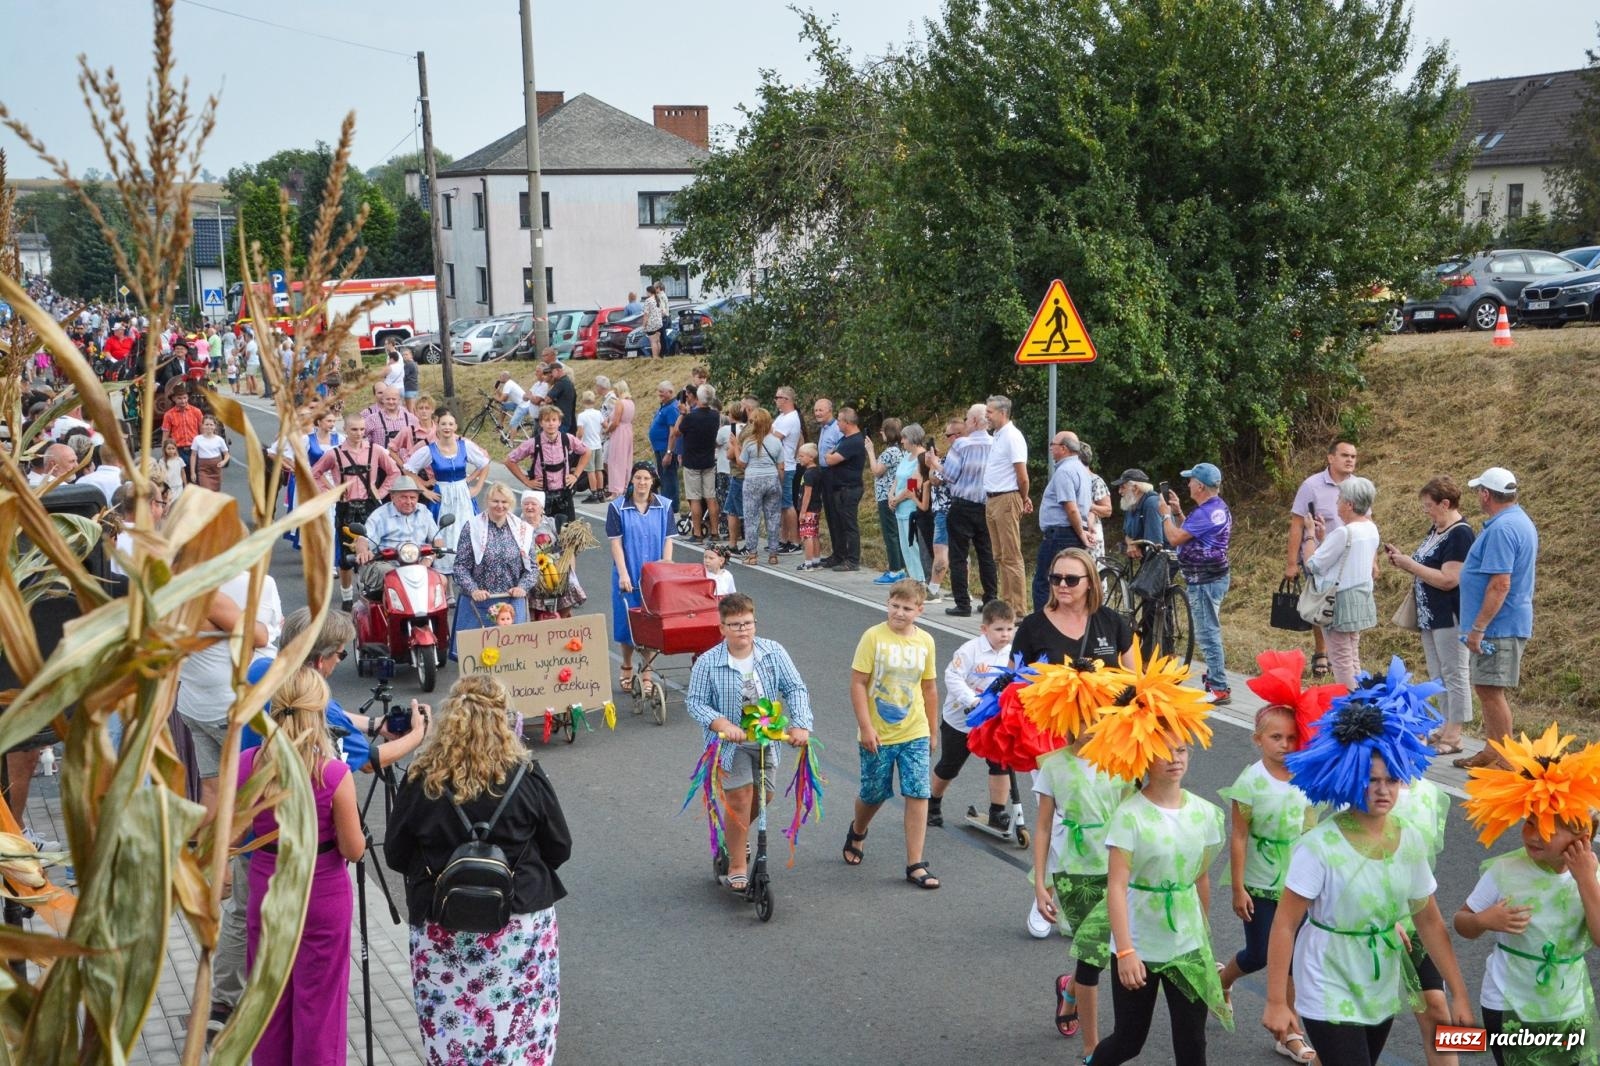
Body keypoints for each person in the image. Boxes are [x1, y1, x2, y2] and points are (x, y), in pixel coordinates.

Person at [209, 607, 429, 1036]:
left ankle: (224, 1005)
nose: (338, 663)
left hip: (259, 848)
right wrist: (415, 736)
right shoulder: (327, 765)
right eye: (340, 655)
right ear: (319, 659)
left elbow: (324, 713)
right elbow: (366, 764)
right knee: (316, 996)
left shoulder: (261, 672)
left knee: (248, 938)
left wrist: (373, 723)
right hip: (309, 863)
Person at [1266, 685, 1474, 1066]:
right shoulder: (1318, 845)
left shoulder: (1409, 838)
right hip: (1326, 981)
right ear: (1350, 777)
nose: (1383, 790)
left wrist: (1459, 992)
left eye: (1391, 780)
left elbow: (1428, 919)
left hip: (1378, 984)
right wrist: (1278, 1001)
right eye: (1372, 779)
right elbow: (1284, 924)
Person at [386, 675, 571, 1066]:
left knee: (453, 1031)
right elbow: (559, 847)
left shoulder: (422, 780)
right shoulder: (526, 776)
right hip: (518, 923)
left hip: (444, 924)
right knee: (521, 1027)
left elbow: (396, 855)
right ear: (503, 720)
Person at [239, 668, 365, 1065]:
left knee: (269, 999)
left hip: (268, 881)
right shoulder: (333, 774)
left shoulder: (248, 764)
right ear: (319, 713)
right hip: (321, 886)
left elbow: (230, 834)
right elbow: (354, 849)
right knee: (319, 1005)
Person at [1457, 729, 1600, 1065]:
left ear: (1582, 834)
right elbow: (1461, 922)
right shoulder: (1505, 871)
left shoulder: (1591, 876)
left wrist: (1585, 881)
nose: (1533, 835)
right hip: (1508, 1002)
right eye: (1529, 822)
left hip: (1568, 1006)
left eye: (1548, 826)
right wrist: (1483, 921)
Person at [684, 593, 813, 891]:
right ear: (722, 628)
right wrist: (724, 725)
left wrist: (801, 725)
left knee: (763, 798)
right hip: (731, 745)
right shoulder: (708, 663)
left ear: (755, 623)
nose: (743, 630)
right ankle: (737, 862)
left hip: (768, 740)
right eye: (735, 625)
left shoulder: (773, 653)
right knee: (739, 798)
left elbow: (795, 688)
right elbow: (696, 703)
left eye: (747, 623)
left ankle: (731, 840)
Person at [1216, 703, 1320, 1064]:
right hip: (1259, 883)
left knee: (1292, 958)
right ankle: (1224, 978)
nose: (1285, 744)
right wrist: (1237, 887)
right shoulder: (1250, 782)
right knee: (1260, 953)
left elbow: (1311, 830)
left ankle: (1289, 1033)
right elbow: (1240, 837)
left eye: (1292, 737)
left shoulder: (1305, 777)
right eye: (1276, 737)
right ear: (1257, 740)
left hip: (1296, 884)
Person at [842, 578, 941, 889]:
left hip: (915, 731)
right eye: (895, 606)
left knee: (918, 791)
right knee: (874, 793)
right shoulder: (873, 637)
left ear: (920, 610)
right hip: (879, 734)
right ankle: (858, 830)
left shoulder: (925, 641)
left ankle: (915, 863)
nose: (899, 612)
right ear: (887, 604)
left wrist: (932, 727)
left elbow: (929, 687)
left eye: (907, 608)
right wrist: (866, 726)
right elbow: (858, 683)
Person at [1454, 466, 1539, 770]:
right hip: (1501, 624)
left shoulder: (1503, 529)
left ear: (1486, 494)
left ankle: (1505, 760)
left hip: (1498, 627)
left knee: (1491, 690)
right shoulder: (1516, 521)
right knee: (1485, 687)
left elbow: (1500, 583)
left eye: (1479, 491)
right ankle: (1493, 750)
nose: (1478, 496)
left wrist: (1478, 627)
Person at [1384, 477, 1475, 754]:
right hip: (1430, 614)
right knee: (1439, 673)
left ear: (1445, 504)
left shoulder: (1460, 534)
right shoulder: (1436, 529)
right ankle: (1446, 725)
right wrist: (1404, 561)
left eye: (1429, 506)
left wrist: (1410, 565)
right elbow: (1426, 566)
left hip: (1450, 614)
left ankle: (1456, 734)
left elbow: (1450, 579)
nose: (1426, 511)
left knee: (1455, 672)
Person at [929, 599, 1016, 832]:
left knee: (1001, 764)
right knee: (950, 765)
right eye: (999, 629)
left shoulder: (1013, 654)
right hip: (961, 720)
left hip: (992, 721)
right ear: (984, 629)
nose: (1005, 635)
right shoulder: (969, 651)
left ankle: (997, 811)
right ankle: (933, 804)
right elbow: (952, 677)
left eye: (1009, 629)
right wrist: (972, 700)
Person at [1159, 462, 1232, 703]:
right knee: (1208, 628)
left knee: (1207, 632)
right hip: (1211, 577)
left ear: (1200, 486)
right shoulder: (1215, 507)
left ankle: (1219, 687)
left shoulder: (1206, 512)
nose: (1188, 484)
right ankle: (1213, 679)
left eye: (1190, 480)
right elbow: (1191, 532)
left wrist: (1166, 515)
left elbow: (1175, 537)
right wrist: (1179, 513)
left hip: (1204, 580)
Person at [1287, 439, 1360, 679]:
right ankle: (1322, 650)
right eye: (1344, 455)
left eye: (1353, 456)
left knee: (1346, 606)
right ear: (1331, 458)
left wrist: (1373, 561)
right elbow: (1297, 525)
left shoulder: (1358, 486)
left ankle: (1347, 656)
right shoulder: (1312, 485)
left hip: (1349, 559)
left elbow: (1367, 522)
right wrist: (1291, 563)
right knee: (1321, 603)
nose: (1350, 460)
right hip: (1318, 556)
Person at [311, 414, 401, 607]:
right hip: (346, 507)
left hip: (370, 506)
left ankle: (369, 591)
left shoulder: (376, 450)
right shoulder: (334, 453)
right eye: (354, 429)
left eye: (362, 429)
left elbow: (394, 472)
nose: (359, 433)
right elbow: (314, 473)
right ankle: (346, 598)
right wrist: (332, 491)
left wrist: (382, 491)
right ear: (345, 430)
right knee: (346, 556)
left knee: (373, 551)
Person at [1301, 476, 1381, 690]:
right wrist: (1323, 537)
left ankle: (1349, 705)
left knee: (1340, 658)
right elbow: (1341, 556)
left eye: (1339, 500)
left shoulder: (1344, 532)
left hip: (1339, 600)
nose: (1336, 505)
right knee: (1352, 653)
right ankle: (1359, 698)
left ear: (1349, 504)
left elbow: (1313, 565)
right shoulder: (1370, 529)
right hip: (1360, 596)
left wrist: (1309, 535)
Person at [609, 461, 676, 693]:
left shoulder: (664, 506)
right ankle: (626, 665)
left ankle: (647, 672)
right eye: (638, 477)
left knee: (650, 626)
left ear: (653, 481)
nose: (642, 482)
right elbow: (616, 543)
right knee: (626, 625)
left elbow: (668, 539)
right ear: (632, 480)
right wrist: (624, 574)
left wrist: (666, 568)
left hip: (653, 577)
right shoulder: (618, 507)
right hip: (627, 573)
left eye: (646, 478)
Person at [1015, 547, 1135, 669]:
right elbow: (1011, 681)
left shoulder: (1111, 621)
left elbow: (1135, 678)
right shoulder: (1032, 626)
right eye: (1056, 578)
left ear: (1090, 582)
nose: (1062, 585)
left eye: (1071, 579)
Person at [452, 483, 536, 656]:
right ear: (487, 502)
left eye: (504, 502)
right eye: (495, 501)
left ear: (511, 504)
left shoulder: (523, 530)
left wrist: (523, 587)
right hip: (480, 601)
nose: (500, 506)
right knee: (478, 656)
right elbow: (460, 566)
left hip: (511, 600)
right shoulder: (472, 527)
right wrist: (473, 589)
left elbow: (532, 567)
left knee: (513, 656)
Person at [403, 409, 489, 575]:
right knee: (444, 533)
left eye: (450, 424)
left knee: (467, 531)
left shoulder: (464, 446)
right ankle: (446, 582)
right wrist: (424, 491)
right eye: (443, 424)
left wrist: (477, 487)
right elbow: (408, 469)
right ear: (437, 427)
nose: (447, 427)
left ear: (455, 426)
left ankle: (468, 575)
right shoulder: (430, 450)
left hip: (462, 495)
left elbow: (484, 464)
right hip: (442, 495)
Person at [931, 403, 996, 617]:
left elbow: (949, 476)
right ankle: (990, 599)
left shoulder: (961, 446)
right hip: (987, 504)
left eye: (968, 419)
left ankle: (962, 603)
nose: (966, 423)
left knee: (958, 555)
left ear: (975, 421)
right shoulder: (995, 444)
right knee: (986, 553)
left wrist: (935, 463)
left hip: (963, 503)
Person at [352, 476, 443, 599]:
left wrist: (428, 560)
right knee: (391, 579)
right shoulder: (380, 515)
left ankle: (436, 618)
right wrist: (363, 552)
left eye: (413, 498)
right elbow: (363, 538)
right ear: (392, 497)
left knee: (442, 581)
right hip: (389, 565)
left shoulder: (424, 512)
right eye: (403, 497)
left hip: (419, 565)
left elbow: (438, 539)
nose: (409, 501)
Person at [1034, 431, 1094, 611]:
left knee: (1045, 582)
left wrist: (1082, 534)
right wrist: (1084, 530)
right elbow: (1086, 506)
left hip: (1060, 535)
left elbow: (1071, 507)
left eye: (1053, 444)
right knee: (1069, 582)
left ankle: (1042, 627)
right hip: (1072, 532)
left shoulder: (1065, 471)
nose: (1051, 448)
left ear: (1063, 448)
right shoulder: (1082, 470)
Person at [506, 404, 590, 529]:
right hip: (541, 497)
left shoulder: (568, 439)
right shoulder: (533, 443)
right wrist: (527, 481)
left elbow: (586, 452)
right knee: (543, 537)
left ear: (559, 422)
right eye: (547, 420)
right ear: (541, 423)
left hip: (564, 495)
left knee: (569, 535)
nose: (551, 423)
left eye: (554, 420)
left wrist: (576, 475)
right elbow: (509, 460)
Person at [983, 394, 1031, 611]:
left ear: (1002, 413)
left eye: (989, 412)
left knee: (1011, 555)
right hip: (993, 498)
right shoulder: (998, 436)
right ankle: (1006, 602)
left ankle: (1018, 607)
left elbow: (1022, 475)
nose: (987, 417)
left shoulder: (1012, 436)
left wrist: (1023, 497)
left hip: (1007, 497)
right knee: (1000, 555)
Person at [670, 384, 721, 542]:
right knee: (711, 497)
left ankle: (697, 533)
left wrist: (682, 414)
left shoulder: (691, 417)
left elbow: (677, 432)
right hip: (708, 460)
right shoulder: (715, 415)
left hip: (692, 460)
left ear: (698, 398)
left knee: (695, 498)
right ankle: (714, 532)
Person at [736, 406, 785, 565]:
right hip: (772, 479)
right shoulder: (776, 442)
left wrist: (736, 449)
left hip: (752, 481)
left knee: (752, 518)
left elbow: (742, 464)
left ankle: (752, 554)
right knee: (773, 518)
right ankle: (773, 554)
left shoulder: (749, 442)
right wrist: (780, 483)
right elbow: (781, 466)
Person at [821, 407, 868, 571]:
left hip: (849, 488)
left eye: (840, 420)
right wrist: (830, 455)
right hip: (839, 487)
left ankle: (852, 559)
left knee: (849, 525)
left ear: (847, 422)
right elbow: (831, 454)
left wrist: (829, 456)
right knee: (838, 523)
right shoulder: (844, 439)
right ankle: (839, 554)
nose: (838, 423)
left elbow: (831, 459)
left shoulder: (854, 441)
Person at [889, 424, 929, 585]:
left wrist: (897, 498)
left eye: (905, 437)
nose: (902, 440)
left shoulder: (921, 458)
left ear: (912, 438)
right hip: (899, 506)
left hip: (911, 507)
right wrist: (891, 495)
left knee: (913, 545)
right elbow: (898, 478)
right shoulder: (906, 456)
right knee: (905, 545)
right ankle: (913, 576)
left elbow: (913, 486)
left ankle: (920, 578)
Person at [868, 418, 908, 583]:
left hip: (886, 496)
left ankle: (895, 569)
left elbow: (877, 471)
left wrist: (870, 451)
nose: (881, 433)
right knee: (897, 533)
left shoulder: (890, 452)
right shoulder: (903, 451)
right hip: (896, 495)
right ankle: (901, 566)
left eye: (883, 430)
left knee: (890, 533)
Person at [773, 386, 805, 552]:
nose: (776, 400)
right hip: (781, 464)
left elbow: (774, 437)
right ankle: (784, 538)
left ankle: (795, 541)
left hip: (786, 465)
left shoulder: (790, 418)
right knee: (782, 505)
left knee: (787, 503)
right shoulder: (782, 417)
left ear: (786, 400)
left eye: (778, 397)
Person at [648, 380, 682, 516]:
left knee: (669, 477)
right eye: (659, 391)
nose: (659, 394)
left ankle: (671, 506)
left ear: (670, 392)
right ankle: (665, 503)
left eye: (662, 391)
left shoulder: (672, 408)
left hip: (666, 449)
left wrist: (669, 452)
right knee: (663, 476)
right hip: (659, 447)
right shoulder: (664, 406)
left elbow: (673, 433)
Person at [364, 385, 420, 464]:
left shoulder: (411, 419)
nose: (391, 402)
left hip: (407, 466)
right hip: (382, 466)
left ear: (399, 400)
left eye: (394, 399)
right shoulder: (372, 419)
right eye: (388, 399)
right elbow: (358, 437)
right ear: (383, 400)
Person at [604, 379, 636, 500]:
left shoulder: (620, 403)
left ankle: (616, 490)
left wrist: (607, 430)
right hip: (628, 430)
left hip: (619, 432)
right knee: (626, 460)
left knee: (616, 460)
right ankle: (625, 486)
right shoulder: (631, 402)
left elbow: (616, 421)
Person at [794, 443, 824, 571]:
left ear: (811, 457)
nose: (799, 458)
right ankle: (816, 560)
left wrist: (802, 511)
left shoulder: (808, 474)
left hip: (809, 509)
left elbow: (807, 494)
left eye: (801, 456)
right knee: (814, 534)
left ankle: (808, 563)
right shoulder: (817, 471)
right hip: (816, 507)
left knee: (807, 536)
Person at [160, 386, 204, 468]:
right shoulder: (168, 415)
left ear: (188, 397)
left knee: (196, 477)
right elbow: (165, 436)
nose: (183, 401)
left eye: (185, 398)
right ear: (174, 399)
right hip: (178, 451)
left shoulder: (196, 412)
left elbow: (202, 432)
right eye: (179, 398)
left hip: (194, 449)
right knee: (181, 478)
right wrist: (164, 454)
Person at [577, 389, 606, 502]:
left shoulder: (582, 416)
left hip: (587, 446)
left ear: (583, 401)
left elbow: (580, 432)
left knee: (590, 471)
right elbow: (605, 425)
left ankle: (593, 493)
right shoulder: (598, 413)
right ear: (594, 401)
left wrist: (577, 440)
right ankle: (601, 492)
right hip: (598, 444)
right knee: (599, 470)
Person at [189, 415, 230, 491]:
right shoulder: (197, 439)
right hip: (203, 469)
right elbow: (193, 455)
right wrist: (192, 472)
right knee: (206, 490)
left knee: (215, 493)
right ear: (202, 426)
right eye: (206, 424)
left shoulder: (219, 440)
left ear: (215, 426)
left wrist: (223, 462)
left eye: (211, 425)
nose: (209, 427)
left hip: (216, 469)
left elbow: (226, 454)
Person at [401, 344, 419, 409]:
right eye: (403, 355)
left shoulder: (408, 364)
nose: (404, 356)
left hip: (409, 389)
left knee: (410, 410)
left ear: (411, 355)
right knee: (415, 409)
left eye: (406, 354)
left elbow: (403, 376)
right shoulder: (415, 363)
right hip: (415, 389)